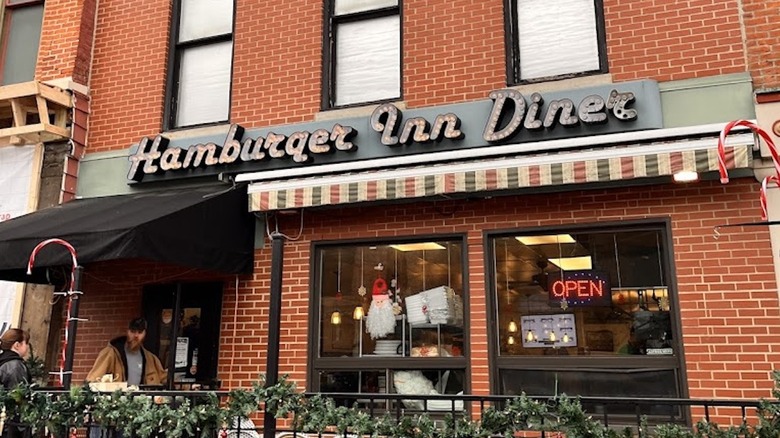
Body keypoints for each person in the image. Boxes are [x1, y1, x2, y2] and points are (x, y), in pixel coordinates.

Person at [86, 317, 167, 386]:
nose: (136, 336)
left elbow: (164, 379)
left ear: (145, 333)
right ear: (127, 331)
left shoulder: (150, 359)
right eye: (133, 331)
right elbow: (93, 379)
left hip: (140, 401)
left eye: (140, 332)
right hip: (117, 402)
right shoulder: (111, 353)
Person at [0, 329, 31, 438]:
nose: (27, 347)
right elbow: (19, 395)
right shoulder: (15, 365)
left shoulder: (3, 361)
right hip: (11, 424)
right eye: (26, 343)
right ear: (17, 345)